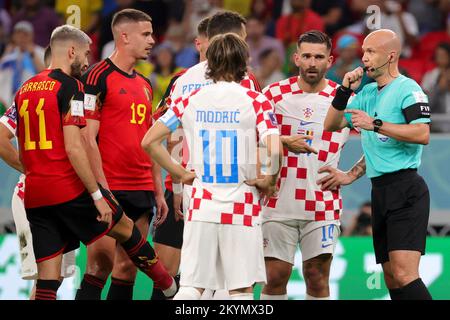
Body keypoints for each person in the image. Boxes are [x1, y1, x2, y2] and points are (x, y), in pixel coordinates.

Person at [13, 24, 177, 300]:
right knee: (126, 230)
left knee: (47, 283)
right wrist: (95, 193)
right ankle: (170, 288)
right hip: (68, 188)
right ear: (72, 51)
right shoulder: (72, 87)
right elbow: (76, 145)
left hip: (36, 194)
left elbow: (18, 143)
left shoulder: (24, 89)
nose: (88, 62)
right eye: (86, 54)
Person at [142, 32, 282, 300]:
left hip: (201, 203)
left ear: (210, 62)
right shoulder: (255, 100)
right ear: (244, 61)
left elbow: (149, 142)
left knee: (193, 286)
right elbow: (274, 147)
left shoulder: (189, 99)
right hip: (241, 202)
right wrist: (269, 180)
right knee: (239, 288)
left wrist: (179, 173)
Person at [324, 29, 432, 300]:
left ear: (391, 55)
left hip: (406, 188)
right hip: (380, 190)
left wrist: (375, 125)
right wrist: (345, 89)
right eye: (363, 52)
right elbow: (332, 124)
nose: (364, 58)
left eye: (371, 52)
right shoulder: (368, 92)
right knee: (392, 279)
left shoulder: (408, 89)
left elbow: (422, 134)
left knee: (405, 274)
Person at [76, 9, 170, 300]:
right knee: (98, 266)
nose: (152, 41)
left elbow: (149, 138)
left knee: (128, 268)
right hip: (110, 186)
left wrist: (157, 190)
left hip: (141, 187)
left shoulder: (145, 84)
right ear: (124, 36)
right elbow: (86, 137)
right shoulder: (96, 76)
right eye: (145, 34)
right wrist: (100, 190)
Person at [260, 30, 360, 300]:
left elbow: (380, 141)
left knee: (317, 279)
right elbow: (252, 139)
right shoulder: (273, 94)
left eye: (318, 57)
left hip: (322, 203)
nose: (312, 63)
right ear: (296, 58)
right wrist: (281, 141)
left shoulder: (345, 100)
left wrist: (351, 174)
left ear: (330, 60)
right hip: (277, 200)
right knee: (274, 277)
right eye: (306, 56)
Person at [0, 46, 76, 299]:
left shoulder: (30, 94)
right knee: (47, 278)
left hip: (55, 195)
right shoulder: (54, 93)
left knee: (52, 280)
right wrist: (31, 169)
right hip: (36, 196)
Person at [149, 16, 210, 301]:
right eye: (214, 40)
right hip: (184, 184)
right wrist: (176, 185)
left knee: (211, 277)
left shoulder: (245, 81)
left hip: (223, 193)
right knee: (166, 274)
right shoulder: (182, 81)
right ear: (198, 43)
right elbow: (169, 134)